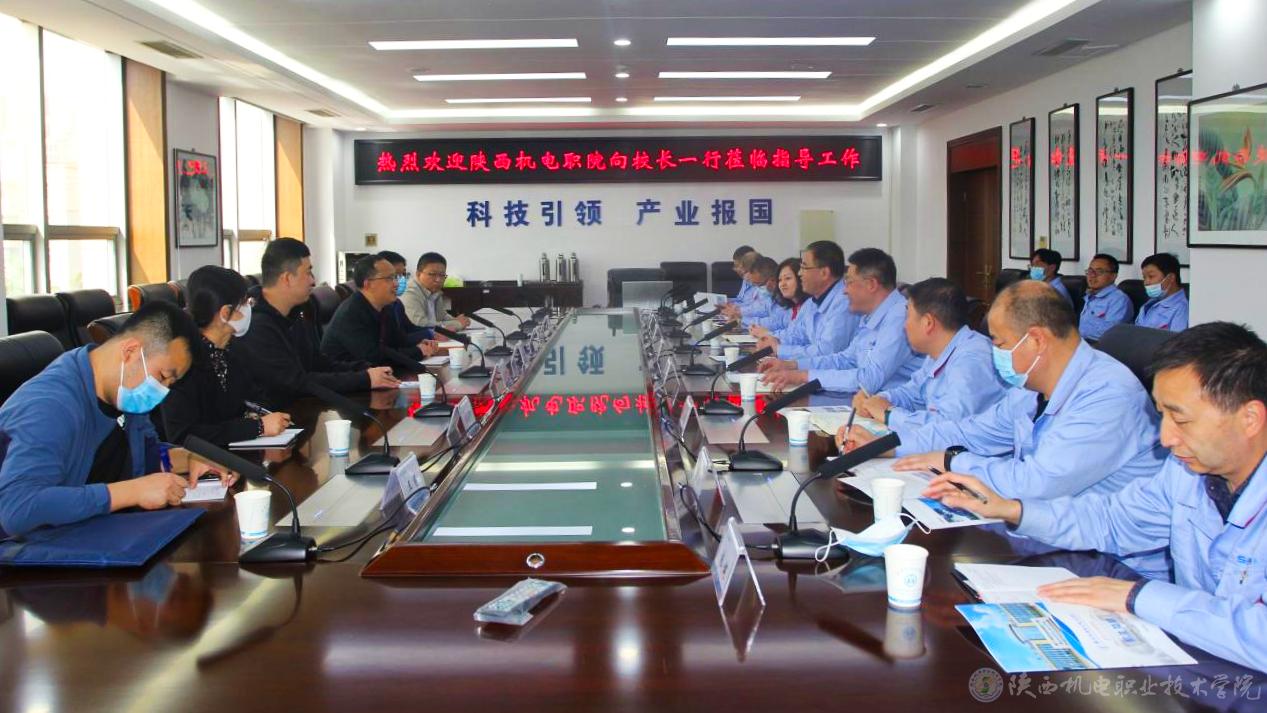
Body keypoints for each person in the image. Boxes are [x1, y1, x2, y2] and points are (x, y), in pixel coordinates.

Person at [921, 322, 1267, 673]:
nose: (1166, 438)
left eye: (1181, 420)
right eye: (1162, 416)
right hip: (1206, 661)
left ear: (1250, 418)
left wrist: (1138, 595)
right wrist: (1014, 510)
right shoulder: (1186, 472)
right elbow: (1111, 520)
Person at [846, 280, 1164, 499]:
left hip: (1109, 560)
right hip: (1043, 528)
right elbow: (974, 431)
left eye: (999, 343)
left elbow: (1037, 482)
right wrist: (889, 445)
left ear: (1036, 340)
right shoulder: (1031, 385)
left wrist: (952, 461)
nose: (994, 351)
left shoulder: (1107, 393)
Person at [0, 301, 231, 538]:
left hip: (99, 532)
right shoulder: (50, 405)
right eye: (162, 376)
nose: (162, 392)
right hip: (32, 549)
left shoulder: (123, 394)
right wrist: (131, 492)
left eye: (170, 385)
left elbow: (145, 454)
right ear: (130, 352)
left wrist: (190, 458)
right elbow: (18, 508)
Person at [233, 238, 398, 407]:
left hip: (305, 406)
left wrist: (365, 369)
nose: (313, 280)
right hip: (279, 414)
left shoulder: (296, 312)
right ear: (287, 278)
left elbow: (318, 363)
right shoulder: (256, 325)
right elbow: (294, 383)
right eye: (308, 273)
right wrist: (364, 379)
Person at [161, 266, 292, 447]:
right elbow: (183, 435)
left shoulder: (234, 349)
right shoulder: (183, 361)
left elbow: (257, 396)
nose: (249, 308)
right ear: (225, 313)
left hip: (236, 452)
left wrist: (258, 416)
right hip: (198, 460)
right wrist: (258, 427)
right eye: (245, 302)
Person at [850, 277, 1005, 431]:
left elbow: (948, 428)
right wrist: (879, 399)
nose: (904, 326)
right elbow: (913, 393)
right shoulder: (939, 351)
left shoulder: (972, 360)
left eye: (908, 317)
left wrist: (889, 414)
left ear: (928, 323)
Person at [762, 248, 920, 394]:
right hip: (867, 400)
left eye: (849, 282)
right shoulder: (870, 315)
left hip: (894, 406)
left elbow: (868, 380)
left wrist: (803, 376)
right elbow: (846, 359)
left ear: (871, 284)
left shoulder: (899, 317)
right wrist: (793, 366)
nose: (844, 291)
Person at [322, 254, 440, 368]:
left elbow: (399, 342)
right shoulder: (351, 314)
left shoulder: (386, 307)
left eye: (396, 277)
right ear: (368, 284)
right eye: (389, 278)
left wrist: (420, 344)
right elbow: (374, 357)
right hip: (347, 376)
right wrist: (418, 351)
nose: (396, 284)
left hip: (380, 374)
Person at [754, 241, 860, 361]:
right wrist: (772, 339)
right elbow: (798, 333)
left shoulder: (844, 302)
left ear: (824, 273)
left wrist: (779, 349)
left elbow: (828, 351)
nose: (799, 273)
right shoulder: (812, 302)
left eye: (804, 268)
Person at [401, 252, 470, 332]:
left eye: (442, 275)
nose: (438, 280)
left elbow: (442, 316)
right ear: (418, 274)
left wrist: (456, 320)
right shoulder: (409, 293)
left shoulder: (434, 291)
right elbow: (420, 324)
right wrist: (457, 324)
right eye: (432, 274)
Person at [376, 250, 434, 343]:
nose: (398, 282)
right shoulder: (377, 307)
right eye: (394, 276)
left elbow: (410, 328)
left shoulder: (396, 303)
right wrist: (429, 334)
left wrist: (435, 331)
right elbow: (396, 342)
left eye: (402, 275)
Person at [1078, 253, 1134, 341]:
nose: (1092, 275)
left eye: (1099, 272)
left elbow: (1111, 333)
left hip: (1102, 346)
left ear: (1113, 276)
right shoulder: (1090, 296)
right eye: (1090, 271)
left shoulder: (1119, 300)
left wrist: (1074, 333)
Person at [750, 257, 808, 336]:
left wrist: (769, 334)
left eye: (788, 278)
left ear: (801, 279)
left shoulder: (809, 307)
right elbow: (780, 322)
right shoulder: (793, 308)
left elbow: (798, 337)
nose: (782, 284)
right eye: (780, 280)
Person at [1136, 252, 1188, 332]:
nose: (1146, 282)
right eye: (1144, 278)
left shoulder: (1182, 308)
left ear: (1171, 277)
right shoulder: (1149, 304)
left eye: (1151, 276)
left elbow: (1178, 339)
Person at [734, 256, 783, 325]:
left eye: (759, 284)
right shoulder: (772, 296)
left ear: (773, 279)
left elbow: (774, 322)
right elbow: (763, 309)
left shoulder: (784, 298)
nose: (757, 288)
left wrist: (742, 319)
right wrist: (739, 313)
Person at [720, 250, 762, 320]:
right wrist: (727, 302)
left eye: (746, 271)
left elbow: (758, 311)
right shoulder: (748, 280)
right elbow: (741, 299)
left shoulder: (764, 289)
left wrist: (738, 312)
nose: (735, 269)